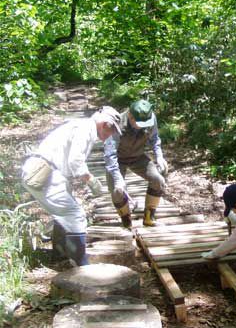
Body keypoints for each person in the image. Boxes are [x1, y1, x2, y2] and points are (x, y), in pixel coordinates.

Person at [21, 106, 121, 266]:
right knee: (76, 215)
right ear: (104, 124)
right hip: (43, 173)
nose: (110, 135)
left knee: (64, 214)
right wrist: (91, 180)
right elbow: (75, 161)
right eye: (111, 130)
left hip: (50, 173)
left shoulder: (84, 127)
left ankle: (60, 255)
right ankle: (82, 265)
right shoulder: (84, 129)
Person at [104, 99, 168, 228]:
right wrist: (118, 180)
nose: (144, 126)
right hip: (118, 160)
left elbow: (155, 139)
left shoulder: (150, 118)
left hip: (138, 156)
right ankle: (126, 220)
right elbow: (110, 155)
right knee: (117, 191)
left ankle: (149, 217)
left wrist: (159, 157)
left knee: (158, 180)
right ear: (130, 116)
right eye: (140, 123)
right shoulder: (116, 124)